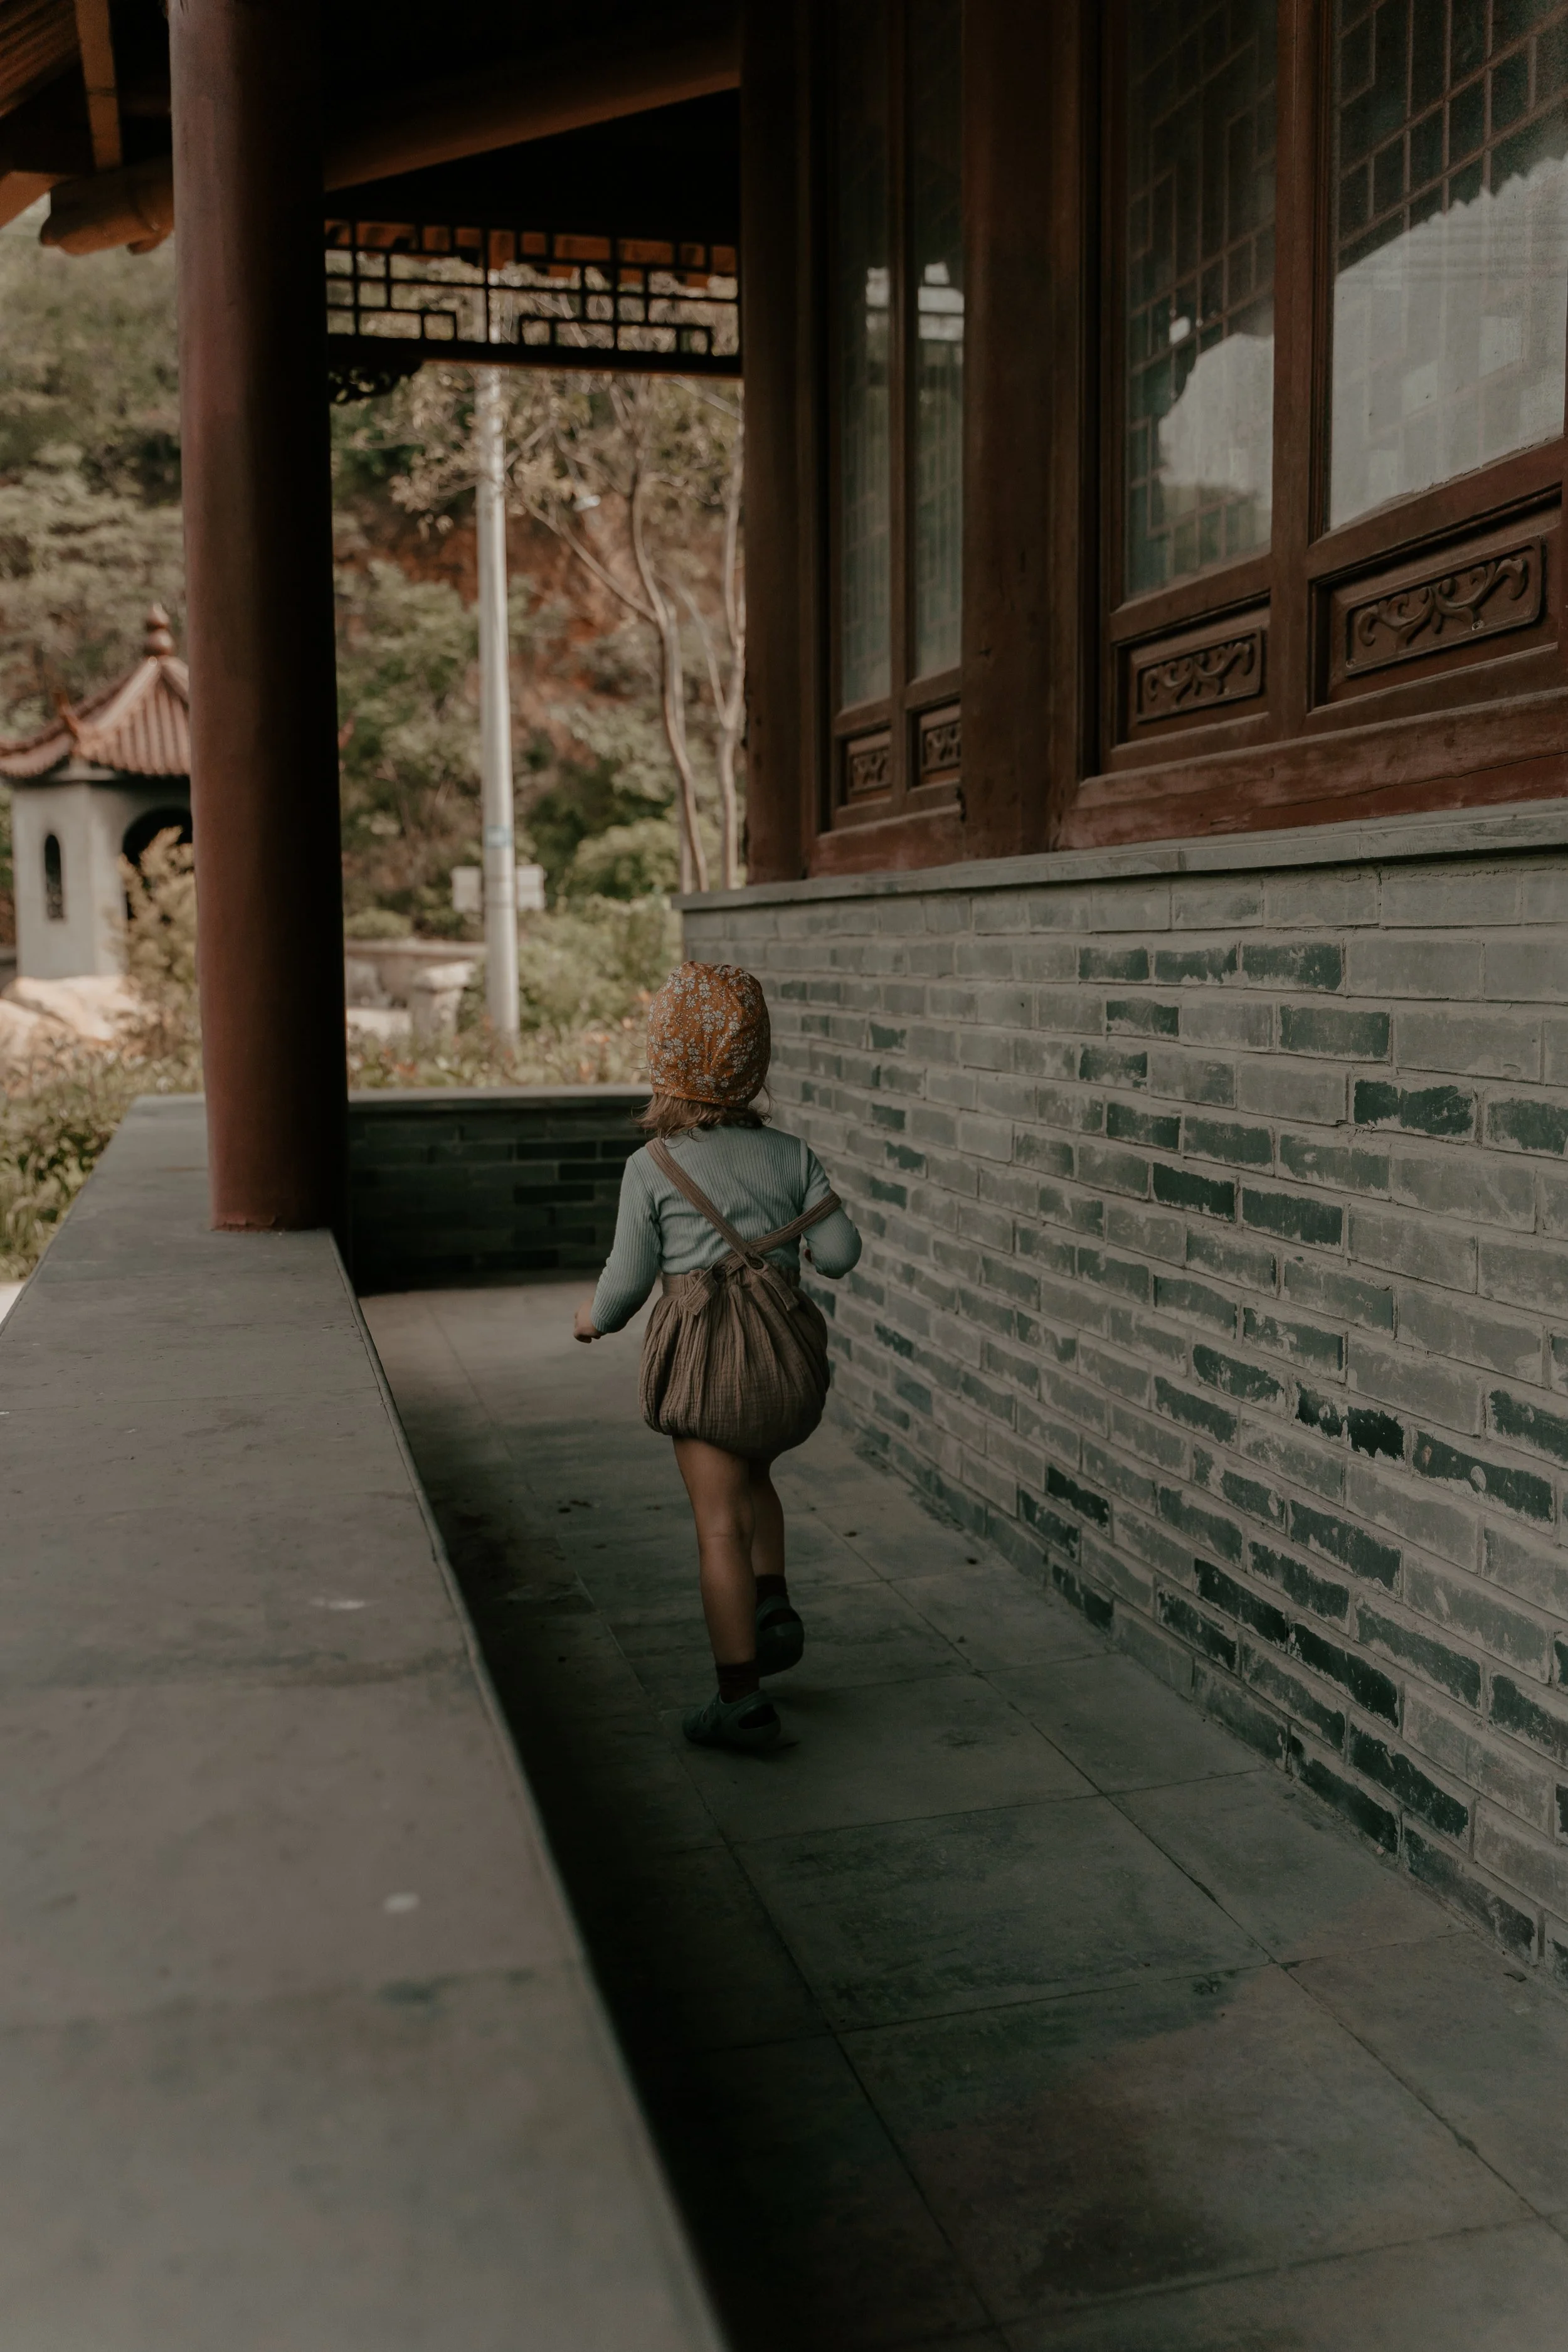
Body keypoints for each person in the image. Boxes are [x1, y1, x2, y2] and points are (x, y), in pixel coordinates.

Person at [573, 962, 862, 1754]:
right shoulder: (792, 1154)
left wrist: (591, 1321)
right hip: (784, 1377)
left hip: (706, 1373)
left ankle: (739, 1699)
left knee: (716, 1529)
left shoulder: (653, 1166)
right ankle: (773, 1603)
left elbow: (626, 1284)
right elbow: (840, 1254)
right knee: (757, 1477)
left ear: (664, 1056)